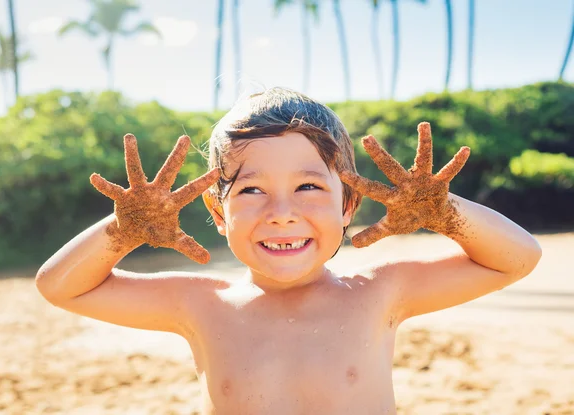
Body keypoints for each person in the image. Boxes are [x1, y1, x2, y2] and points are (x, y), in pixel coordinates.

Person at [35, 87, 542, 414]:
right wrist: (124, 230)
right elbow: (59, 287)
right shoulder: (200, 304)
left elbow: (518, 257)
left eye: (309, 188)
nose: (282, 212)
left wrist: (444, 210)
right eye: (251, 190)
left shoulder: (382, 292)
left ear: (349, 205)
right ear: (216, 213)